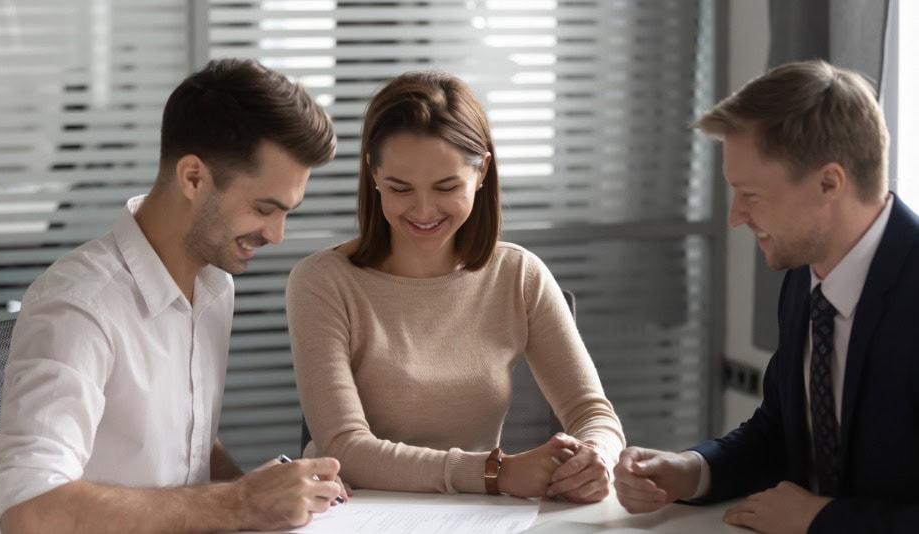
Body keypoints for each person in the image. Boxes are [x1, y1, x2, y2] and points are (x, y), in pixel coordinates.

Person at [0, 58, 347, 534]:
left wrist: (260, 493)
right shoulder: (79, 304)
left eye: (287, 213)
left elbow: (183, 445)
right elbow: (30, 509)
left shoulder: (213, 286)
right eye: (265, 208)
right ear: (193, 178)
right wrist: (238, 503)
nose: (277, 235)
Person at [286, 70, 625, 502]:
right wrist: (493, 473)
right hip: (361, 514)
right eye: (399, 188)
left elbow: (592, 413)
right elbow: (344, 448)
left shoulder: (519, 274)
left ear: (482, 171)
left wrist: (596, 457)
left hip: (477, 515)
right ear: (373, 175)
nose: (423, 210)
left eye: (446, 186)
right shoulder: (322, 281)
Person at [613, 60, 919, 533]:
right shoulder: (806, 277)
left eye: (750, 194)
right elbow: (780, 432)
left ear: (828, 183)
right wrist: (692, 471)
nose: (735, 217)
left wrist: (824, 519)